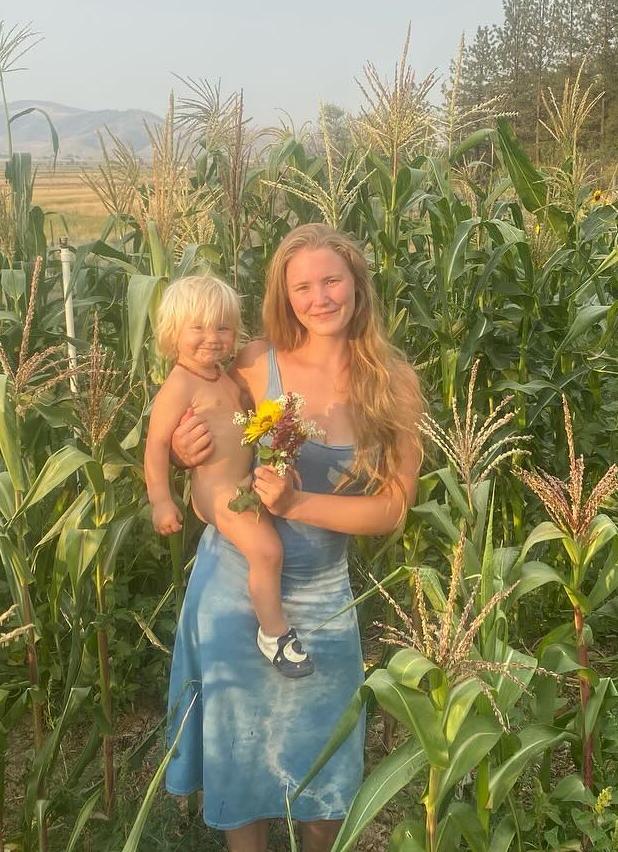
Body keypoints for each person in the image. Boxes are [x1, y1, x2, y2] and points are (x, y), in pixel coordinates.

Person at [164, 224, 423, 852]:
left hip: (324, 596)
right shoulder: (254, 362)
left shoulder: (393, 382)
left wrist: (300, 501)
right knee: (238, 760)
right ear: (285, 296)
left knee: (326, 777)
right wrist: (181, 449)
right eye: (301, 286)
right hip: (233, 587)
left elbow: (393, 508)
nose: (319, 297)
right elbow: (201, 443)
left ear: (357, 285)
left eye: (331, 280)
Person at [144, 274, 314, 677]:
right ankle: (274, 633)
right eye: (198, 328)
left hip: (241, 482)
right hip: (215, 491)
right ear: (172, 333)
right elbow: (154, 447)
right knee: (268, 551)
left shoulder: (223, 377)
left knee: (277, 532)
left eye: (222, 327)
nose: (212, 338)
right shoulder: (179, 386)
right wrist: (161, 500)